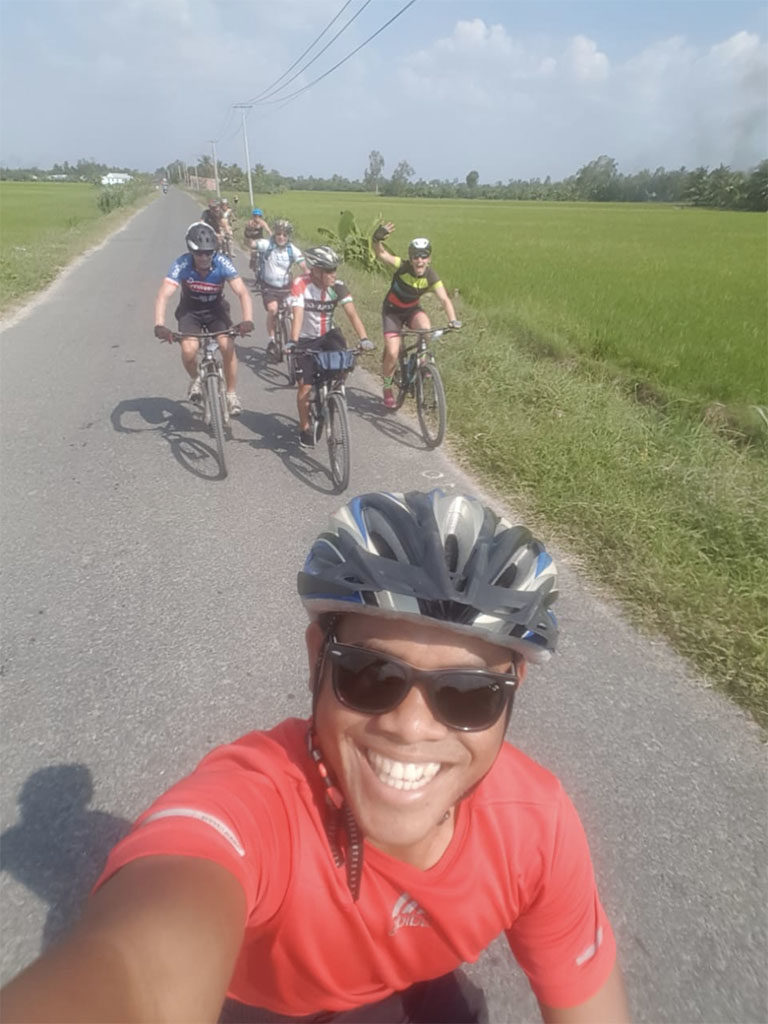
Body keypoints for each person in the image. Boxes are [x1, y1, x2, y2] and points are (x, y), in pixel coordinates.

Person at [0, 489, 629, 1024]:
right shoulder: (255, 805)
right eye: (370, 675)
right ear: (315, 661)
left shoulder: (537, 828)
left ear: (513, 692)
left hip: (409, 986)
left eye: (467, 695)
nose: (411, 727)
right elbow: (140, 969)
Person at [152, 221, 253, 417]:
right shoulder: (182, 264)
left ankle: (231, 394)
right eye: (199, 253)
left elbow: (242, 292)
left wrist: (247, 320)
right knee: (189, 350)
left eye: (209, 253)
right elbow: (164, 294)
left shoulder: (222, 262)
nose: (205, 257)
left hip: (216, 310)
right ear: (191, 251)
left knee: (227, 346)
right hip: (190, 311)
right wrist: (159, 324)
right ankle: (196, 378)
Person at [288, 245, 373, 448]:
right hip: (305, 339)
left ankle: (334, 395)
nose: (334, 274)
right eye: (329, 271)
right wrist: (293, 341)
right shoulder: (301, 284)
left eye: (335, 270)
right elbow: (297, 315)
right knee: (305, 387)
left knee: (345, 361)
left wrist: (364, 338)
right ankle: (304, 427)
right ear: (316, 271)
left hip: (328, 335)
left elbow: (352, 314)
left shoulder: (338, 287)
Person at [372, 222, 461, 409]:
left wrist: (453, 320)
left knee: (426, 328)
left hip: (412, 310)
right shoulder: (402, 267)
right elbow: (381, 254)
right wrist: (377, 239)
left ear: (429, 258)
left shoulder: (431, 276)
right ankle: (387, 387)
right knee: (393, 352)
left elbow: (444, 299)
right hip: (392, 312)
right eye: (415, 256)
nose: (420, 261)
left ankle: (422, 362)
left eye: (424, 256)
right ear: (410, 258)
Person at [260, 219, 305, 359]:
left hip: (286, 288)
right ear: (274, 234)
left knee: (294, 311)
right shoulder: (267, 245)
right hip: (269, 287)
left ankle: (294, 339)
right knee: (273, 309)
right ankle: (272, 340)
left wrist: (310, 277)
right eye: (279, 234)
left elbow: (304, 266)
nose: (281, 237)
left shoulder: (292, 249)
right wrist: (249, 233)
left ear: (288, 236)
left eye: (285, 235)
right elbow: (251, 243)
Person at [243, 208, 272, 284]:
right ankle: (253, 262)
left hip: (260, 240)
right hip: (252, 239)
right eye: (255, 216)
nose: (257, 218)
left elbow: (268, 230)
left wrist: (271, 236)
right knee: (253, 252)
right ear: (253, 216)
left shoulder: (262, 223)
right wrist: (251, 230)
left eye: (259, 216)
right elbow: (247, 234)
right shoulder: (249, 223)